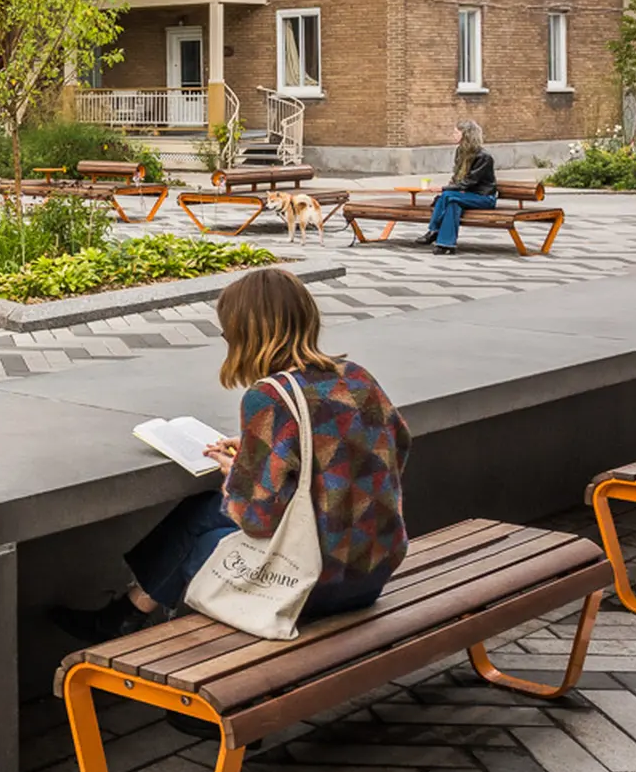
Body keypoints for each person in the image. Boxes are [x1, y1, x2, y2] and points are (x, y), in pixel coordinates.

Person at [56, 267, 409, 642]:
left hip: (311, 585)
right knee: (200, 514)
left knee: (198, 532)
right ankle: (124, 614)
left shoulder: (269, 397)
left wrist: (236, 474)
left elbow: (257, 519)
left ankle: (135, 631)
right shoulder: (356, 377)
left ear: (244, 334)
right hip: (373, 569)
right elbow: (396, 447)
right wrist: (278, 456)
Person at [422, 119, 499, 255]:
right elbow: (457, 177)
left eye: (456, 132)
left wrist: (443, 188)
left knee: (447, 196)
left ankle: (434, 230)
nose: (453, 135)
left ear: (466, 135)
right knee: (452, 203)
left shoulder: (484, 157)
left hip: (483, 198)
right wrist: (450, 188)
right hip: (464, 196)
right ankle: (446, 244)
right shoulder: (461, 152)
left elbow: (470, 182)